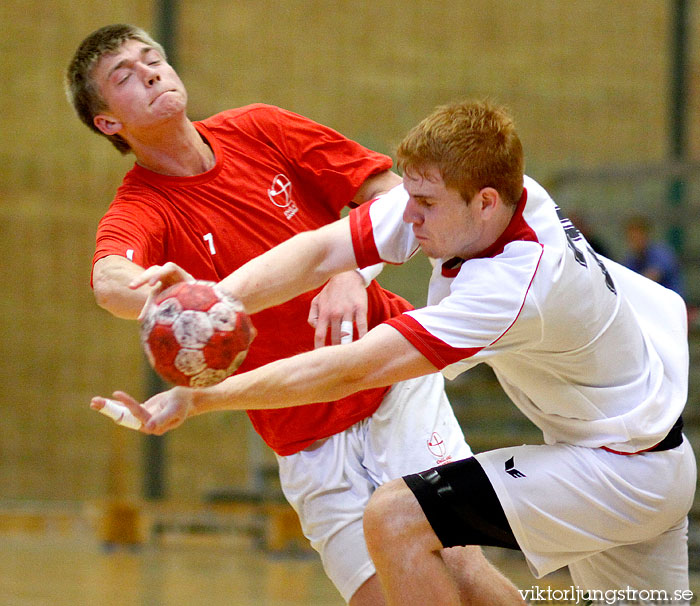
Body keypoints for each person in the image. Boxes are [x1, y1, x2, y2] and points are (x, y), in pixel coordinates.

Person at [95, 99, 696, 605]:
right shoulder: (483, 201)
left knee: (396, 517)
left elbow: (350, 368)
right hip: (634, 450)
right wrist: (216, 304)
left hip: (621, 467)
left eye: (424, 206)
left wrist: (201, 398)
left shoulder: (515, 285)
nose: (407, 217)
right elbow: (316, 252)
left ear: (484, 202)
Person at [68, 25, 523, 606]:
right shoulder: (141, 207)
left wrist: (350, 272)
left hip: (389, 382)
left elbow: (390, 195)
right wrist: (157, 294)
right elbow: (109, 279)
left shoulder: (260, 127)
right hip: (300, 433)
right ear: (109, 122)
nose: (151, 72)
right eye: (125, 76)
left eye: (152, 57)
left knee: (458, 565)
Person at [623, 214, 685, 296]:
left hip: (669, 303)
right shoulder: (630, 260)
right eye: (632, 238)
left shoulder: (662, 253)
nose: (635, 241)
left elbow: (651, 277)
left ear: (646, 235)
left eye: (638, 236)